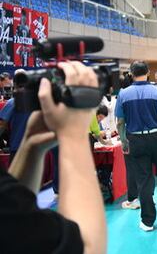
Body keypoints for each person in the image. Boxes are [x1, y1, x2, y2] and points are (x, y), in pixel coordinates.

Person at [0, 61, 107, 254]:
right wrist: (75, 133)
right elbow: (87, 247)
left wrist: (31, 146)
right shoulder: (11, 104)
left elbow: (12, 208)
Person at [116, 61, 157, 232]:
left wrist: (124, 141)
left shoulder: (123, 94)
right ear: (148, 72)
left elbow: (120, 122)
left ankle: (147, 221)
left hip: (135, 141)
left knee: (144, 180)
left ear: (131, 74)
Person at [0, 70, 29, 162]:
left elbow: (1, 126)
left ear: (14, 85)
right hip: (36, 150)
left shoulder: (12, 102)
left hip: (17, 149)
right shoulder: (40, 102)